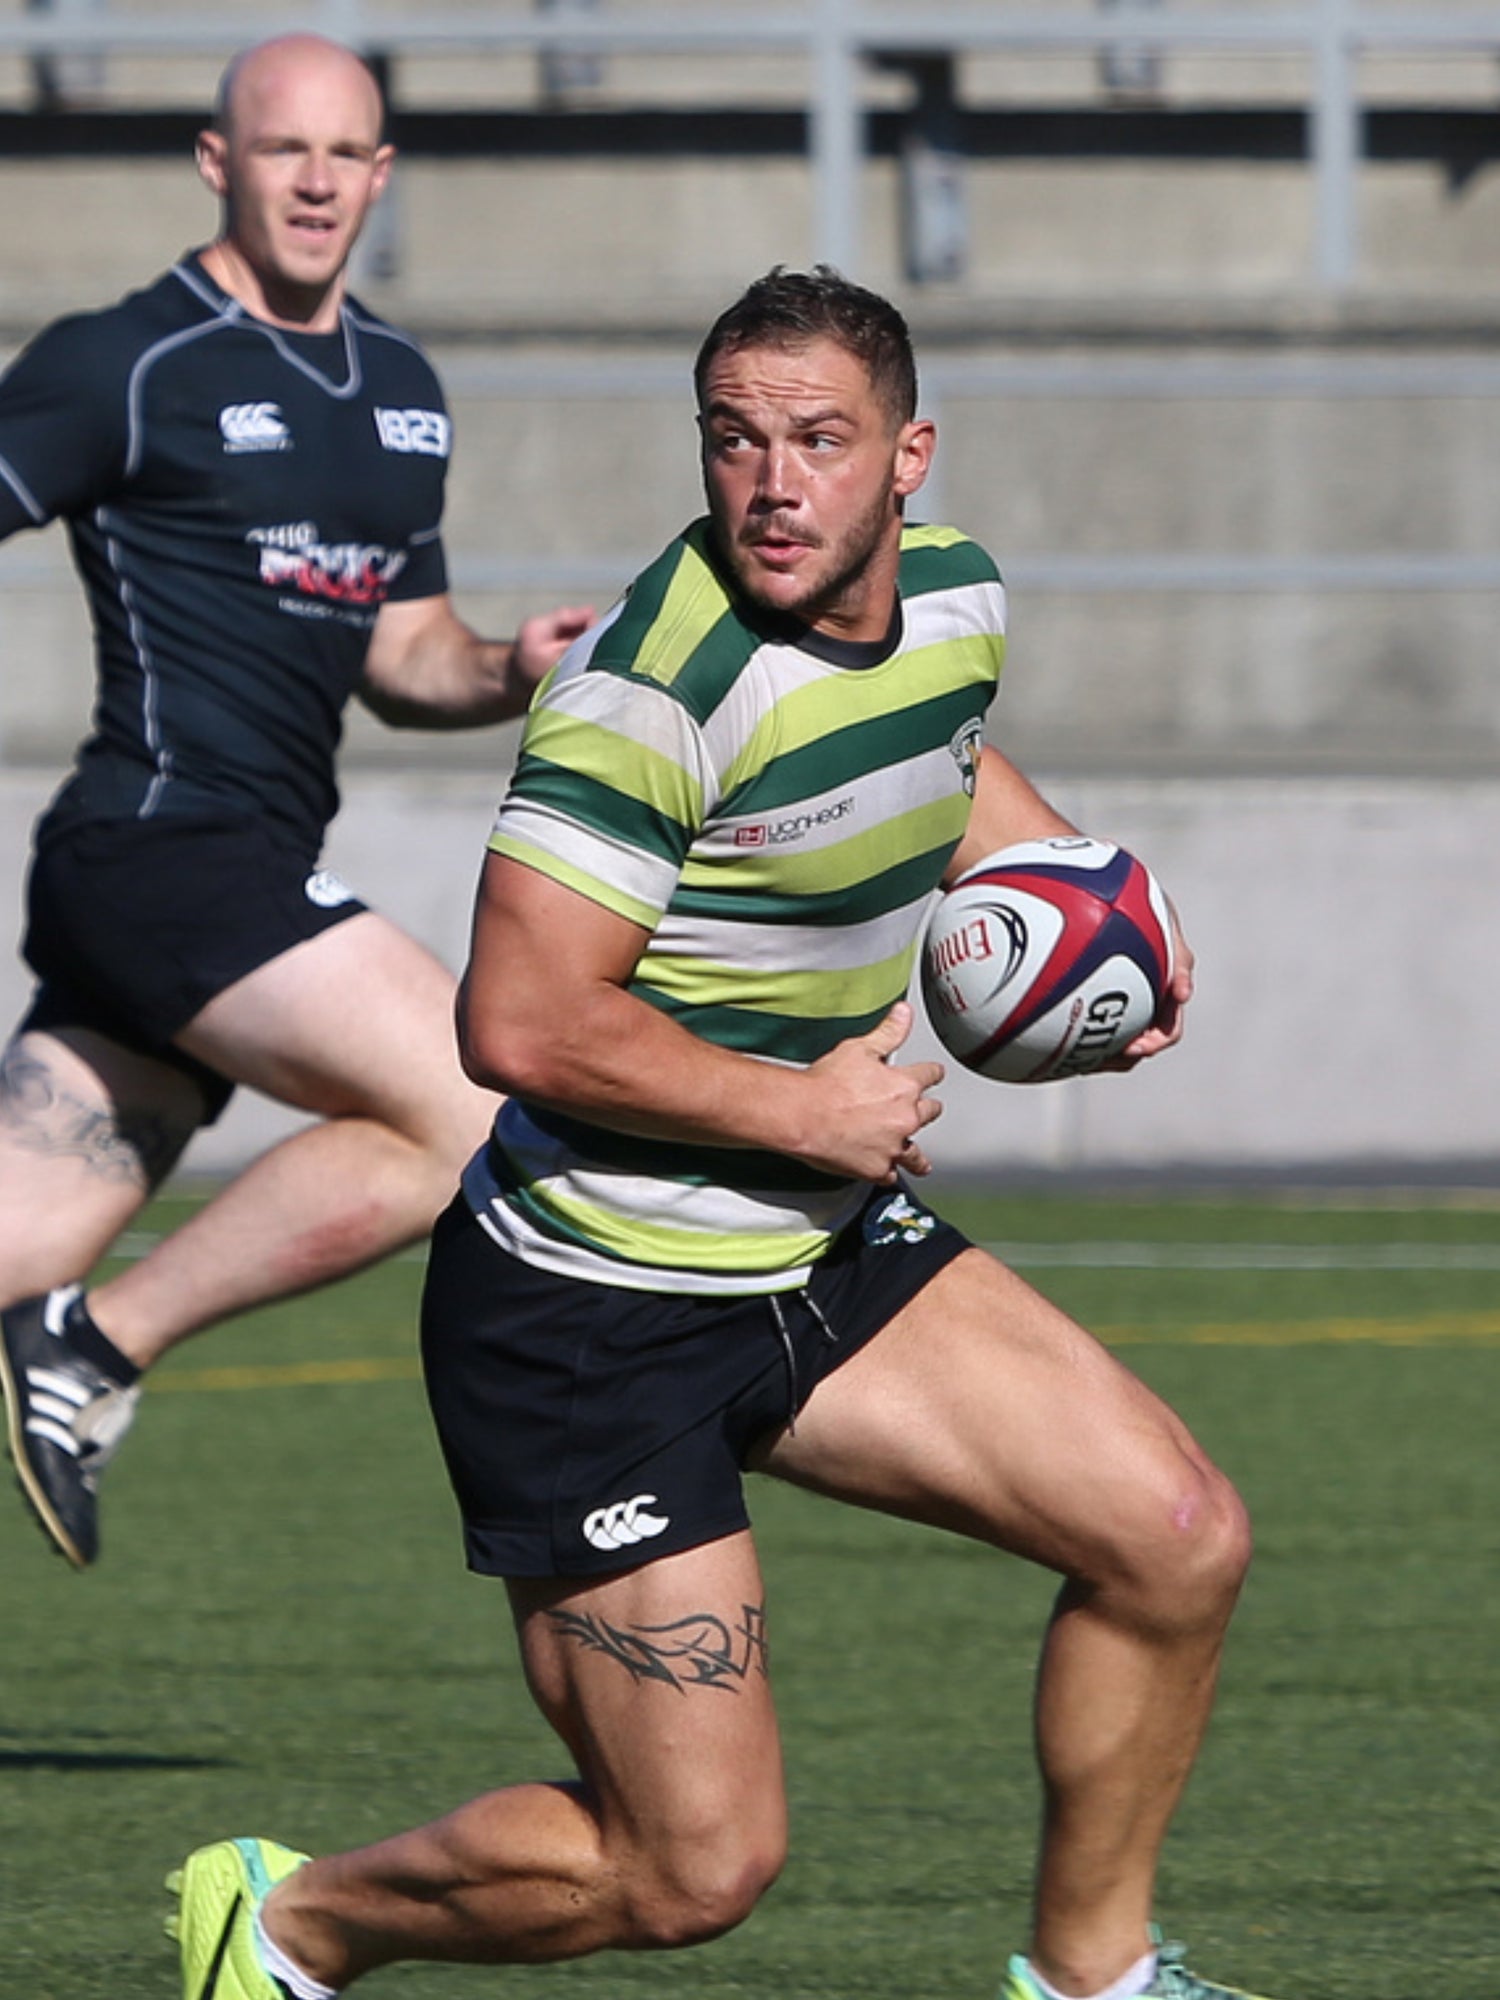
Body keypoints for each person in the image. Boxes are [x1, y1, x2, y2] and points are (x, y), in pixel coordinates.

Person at [169, 267, 1277, 2000]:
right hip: (590, 1317)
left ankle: (1093, 1981)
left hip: (818, 1249)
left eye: (819, 440)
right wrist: (804, 1105)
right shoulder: (650, 694)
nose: (772, 483)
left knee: (1178, 1537)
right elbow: (517, 1023)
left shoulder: (959, 597)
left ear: (909, 457)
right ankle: (292, 1924)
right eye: (735, 440)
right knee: (689, 1871)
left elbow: (946, 756)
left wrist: (1090, 912)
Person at [0, 32, 593, 1569]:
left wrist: (509, 667)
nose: (317, 182)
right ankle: (95, 1345)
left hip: (217, 885)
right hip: (161, 849)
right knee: (483, 1108)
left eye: (345, 154)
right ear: (220, 163)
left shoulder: (400, 389)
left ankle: (57, 1330)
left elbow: (404, 654)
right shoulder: (124, 362)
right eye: (284, 150)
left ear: (381, 175)